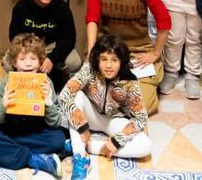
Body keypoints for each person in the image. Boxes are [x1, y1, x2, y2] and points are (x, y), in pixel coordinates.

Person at [84, 0, 171, 115]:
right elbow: (92, 18)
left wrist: (155, 52)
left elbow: (164, 20)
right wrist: (91, 51)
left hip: (137, 52)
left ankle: (152, 76)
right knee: (92, 98)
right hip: (107, 49)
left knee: (143, 107)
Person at [0, 34, 68, 175]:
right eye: (22, 59)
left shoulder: (46, 82)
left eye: (33, 59)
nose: (28, 64)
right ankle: (33, 159)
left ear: (40, 62)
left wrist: (48, 103)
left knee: (58, 139)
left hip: (35, 131)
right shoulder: (7, 81)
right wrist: (3, 105)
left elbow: (55, 122)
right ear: (15, 63)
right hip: (10, 129)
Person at [60, 34, 152, 180]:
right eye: (104, 59)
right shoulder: (89, 68)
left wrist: (116, 142)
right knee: (76, 96)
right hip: (90, 115)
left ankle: (90, 147)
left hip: (114, 120)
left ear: (121, 61)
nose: (109, 66)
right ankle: (80, 156)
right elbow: (65, 95)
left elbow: (141, 118)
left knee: (146, 146)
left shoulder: (130, 80)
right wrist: (82, 127)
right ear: (97, 59)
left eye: (114, 60)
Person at [7, 0, 82, 91]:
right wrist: (32, 56)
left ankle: (56, 75)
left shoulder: (62, 9)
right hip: (29, 46)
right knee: (8, 63)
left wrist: (51, 59)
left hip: (51, 46)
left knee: (74, 62)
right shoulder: (21, 7)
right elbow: (14, 36)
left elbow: (69, 39)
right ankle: (28, 78)